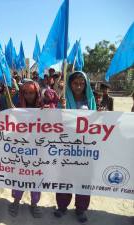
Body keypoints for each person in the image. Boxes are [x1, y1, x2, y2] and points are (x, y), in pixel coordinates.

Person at [54, 71, 96, 223]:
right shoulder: (63, 100)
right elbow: (55, 122)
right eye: (75, 83)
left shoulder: (91, 101)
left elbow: (96, 123)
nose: (78, 86)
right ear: (70, 84)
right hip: (67, 147)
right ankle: (62, 206)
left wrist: (101, 116)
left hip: (86, 147)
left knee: (84, 178)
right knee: (65, 177)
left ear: (85, 85)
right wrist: (61, 109)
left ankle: (81, 208)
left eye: (81, 83)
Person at [8, 80, 42, 218]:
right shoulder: (18, 108)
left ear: (37, 93)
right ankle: (16, 201)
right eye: (25, 93)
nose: (28, 96)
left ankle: (34, 204)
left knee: (36, 178)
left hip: (38, 151)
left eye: (31, 93)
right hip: (21, 150)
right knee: (19, 175)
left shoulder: (44, 108)